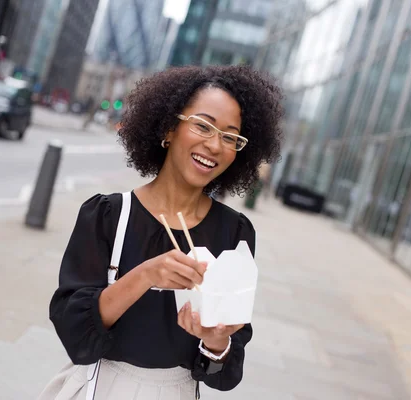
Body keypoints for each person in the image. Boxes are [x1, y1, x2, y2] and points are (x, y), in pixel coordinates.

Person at [38, 65, 283, 399]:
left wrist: (215, 340)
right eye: (203, 125)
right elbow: (75, 336)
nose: (214, 144)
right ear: (169, 127)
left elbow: (224, 374)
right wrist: (146, 275)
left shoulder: (234, 232)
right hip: (100, 388)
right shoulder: (109, 214)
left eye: (230, 136)